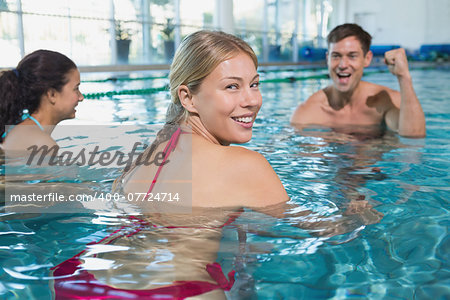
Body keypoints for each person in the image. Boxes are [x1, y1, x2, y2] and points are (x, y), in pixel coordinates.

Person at [52, 31, 382, 299]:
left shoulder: (146, 151)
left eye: (254, 83)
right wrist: (359, 215)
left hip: (79, 279)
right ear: (188, 97)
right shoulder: (245, 165)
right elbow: (329, 232)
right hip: (170, 292)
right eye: (231, 87)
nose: (251, 100)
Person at [290, 23, 426, 138]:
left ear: (367, 59)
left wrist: (404, 77)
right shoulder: (309, 112)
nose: (343, 65)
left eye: (352, 56)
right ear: (327, 59)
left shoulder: (385, 101)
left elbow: (414, 137)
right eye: (336, 56)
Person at [0, 49, 84, 152]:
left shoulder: (22, 128)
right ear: (52, 94)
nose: (81, 97)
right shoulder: (41, 144)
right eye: (76, 89)